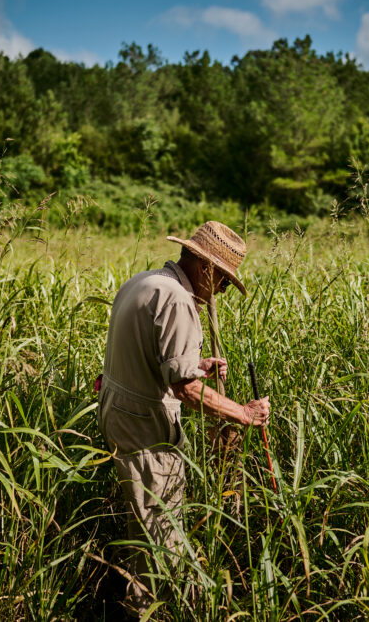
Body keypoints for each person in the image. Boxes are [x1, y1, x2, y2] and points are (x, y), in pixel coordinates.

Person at [96, 220, 271, 613]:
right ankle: (152, 611)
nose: (222, 290)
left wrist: (195, 364)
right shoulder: (177, 299)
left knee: (143, 525)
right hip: (145, 430)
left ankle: (135, 601)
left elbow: (151, 358)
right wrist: (244, 413)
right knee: (163, 538)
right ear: (202, 265)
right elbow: (186, 391)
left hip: (119, 414)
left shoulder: (145, 281)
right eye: (223, 281)